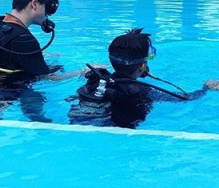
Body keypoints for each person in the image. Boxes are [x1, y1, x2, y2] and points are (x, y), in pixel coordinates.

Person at [70, 28, 205, 128]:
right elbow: (186, 98)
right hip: (115, 134)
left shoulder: (97, 82)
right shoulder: (142, 91)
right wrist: (206, 88)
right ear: (142, 66)